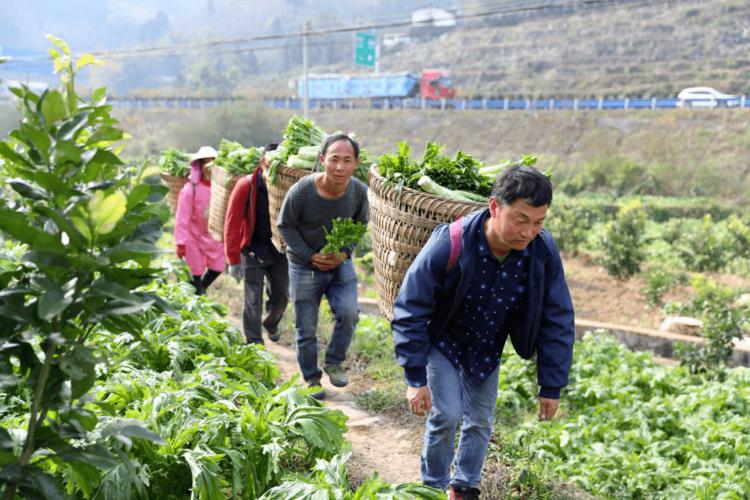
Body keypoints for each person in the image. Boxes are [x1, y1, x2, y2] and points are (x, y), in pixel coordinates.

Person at [391, 165, 575, 499]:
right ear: (494, 207)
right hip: (443, 340)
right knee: (446, 414)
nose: (528, 231)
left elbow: (557, 317)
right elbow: (411, 307)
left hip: (487, 345)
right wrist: (414, 378)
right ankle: (431, 487)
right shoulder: (451, 243)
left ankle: (464, 487)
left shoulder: (541, 253)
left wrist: (552, 383)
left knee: (480, 420)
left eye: (538, 222)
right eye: (520, 219)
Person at [277, 134, 369, 398]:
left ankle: (334, 361)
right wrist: (310, 256)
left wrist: (344, 253)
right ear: (322, 161)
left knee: (349, 312)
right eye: (334, 160)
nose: (340, 167)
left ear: (356, 164)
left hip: (340, 264)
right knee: (306, 326)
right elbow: (285, 226)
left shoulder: (359, 192)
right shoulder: (303, 190)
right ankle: (311, 379)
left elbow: (360, 225)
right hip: (304, 266)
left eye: (347, 161)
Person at [224, 143, 289, 345]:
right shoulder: (247, 185)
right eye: (270, 165)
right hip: (252, 249)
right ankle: (254, 342)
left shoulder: (285, 187)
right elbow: (232, 222)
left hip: (279, 251)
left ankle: (270, 323)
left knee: (281, 295)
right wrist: (233, 259)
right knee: (253, 298)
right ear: (262, 163)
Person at [174, 146, 225, 295]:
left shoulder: (221, 188)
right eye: (206, 163)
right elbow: (182, 217)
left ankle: (200, 289)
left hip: (212, 236)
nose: (209, 167)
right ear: (200, 166)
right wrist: (181, 242)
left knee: (218, 266)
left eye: (212, 163)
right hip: (193, 237)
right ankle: (197, 296)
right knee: (194, 272)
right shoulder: (190, 189)